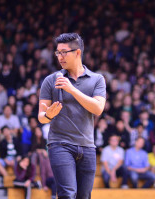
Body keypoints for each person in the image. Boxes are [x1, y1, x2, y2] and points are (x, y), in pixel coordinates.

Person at [38, 33, 106, 199]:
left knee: (83, 196)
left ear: (77, 53)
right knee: (67, 194)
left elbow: (98, 109)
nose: (60, 57)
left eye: (64, 52)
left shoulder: (97, 79)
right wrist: (48, 115)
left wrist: (72, 90)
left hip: (87, 146)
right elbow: (41, 116)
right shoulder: (50, 80)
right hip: (60, 144)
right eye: (57, 53)